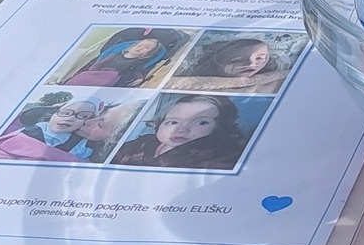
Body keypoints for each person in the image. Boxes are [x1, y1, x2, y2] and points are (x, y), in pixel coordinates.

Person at [111, 94, 249, 170]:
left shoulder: (214, 158)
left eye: (201, 122)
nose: (182, 129)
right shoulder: (141, 144)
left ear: (219, 128)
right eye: (173, 122)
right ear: (158, 125)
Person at [0, 96, 104, 162]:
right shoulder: (31, 129)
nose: (70, 118)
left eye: (83, 116)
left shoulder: (82, 145)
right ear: (53, 114)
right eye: (65, 113)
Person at [62, 27, 185, 88]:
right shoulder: (114, 54)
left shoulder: (138, 62)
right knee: (82, 78)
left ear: (148, 54)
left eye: (146, 48)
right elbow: (99, 62)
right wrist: (93, 70)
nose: (141, 48)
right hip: (95, 72)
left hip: (113, 77)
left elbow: (138, 71)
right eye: (139, 45)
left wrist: (139, 78)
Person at [176, 35, 290, 94]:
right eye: (237, 60)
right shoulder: (193, 77)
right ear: (217, 62)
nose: (251, 64)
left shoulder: (275, 72)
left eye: (260, 58)